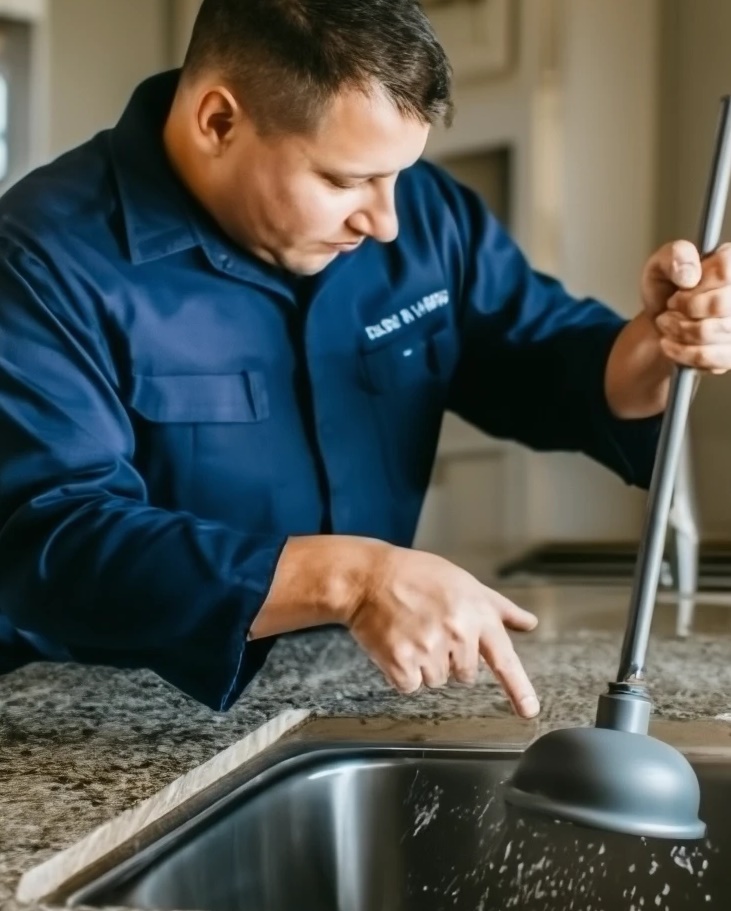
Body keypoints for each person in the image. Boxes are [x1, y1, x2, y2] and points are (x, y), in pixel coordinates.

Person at [0, 0, 729, 717]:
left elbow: (545, 363)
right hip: (83, 716)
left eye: (398, 175)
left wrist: (658, 343)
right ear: (218, 121)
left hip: (331, 689)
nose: (384, 221)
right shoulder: (39, 257)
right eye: (344, 180)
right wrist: (350, 578)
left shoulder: (428, 217)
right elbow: (51, 540)